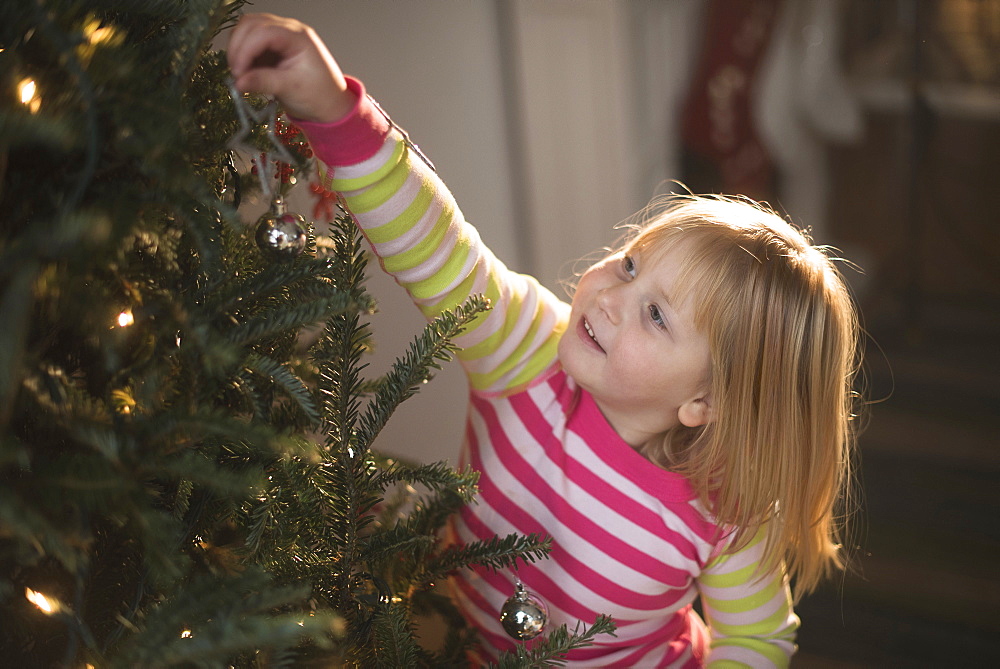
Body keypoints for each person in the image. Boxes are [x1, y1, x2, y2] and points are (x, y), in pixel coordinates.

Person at [228, 13, 860, 667]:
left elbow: (756, 641)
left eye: (656, 316)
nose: (612, 297)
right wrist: (333, 110)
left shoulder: (728, 504)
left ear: (705, 401)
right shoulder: (525, 348)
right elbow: (436, 244)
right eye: (630, 263)